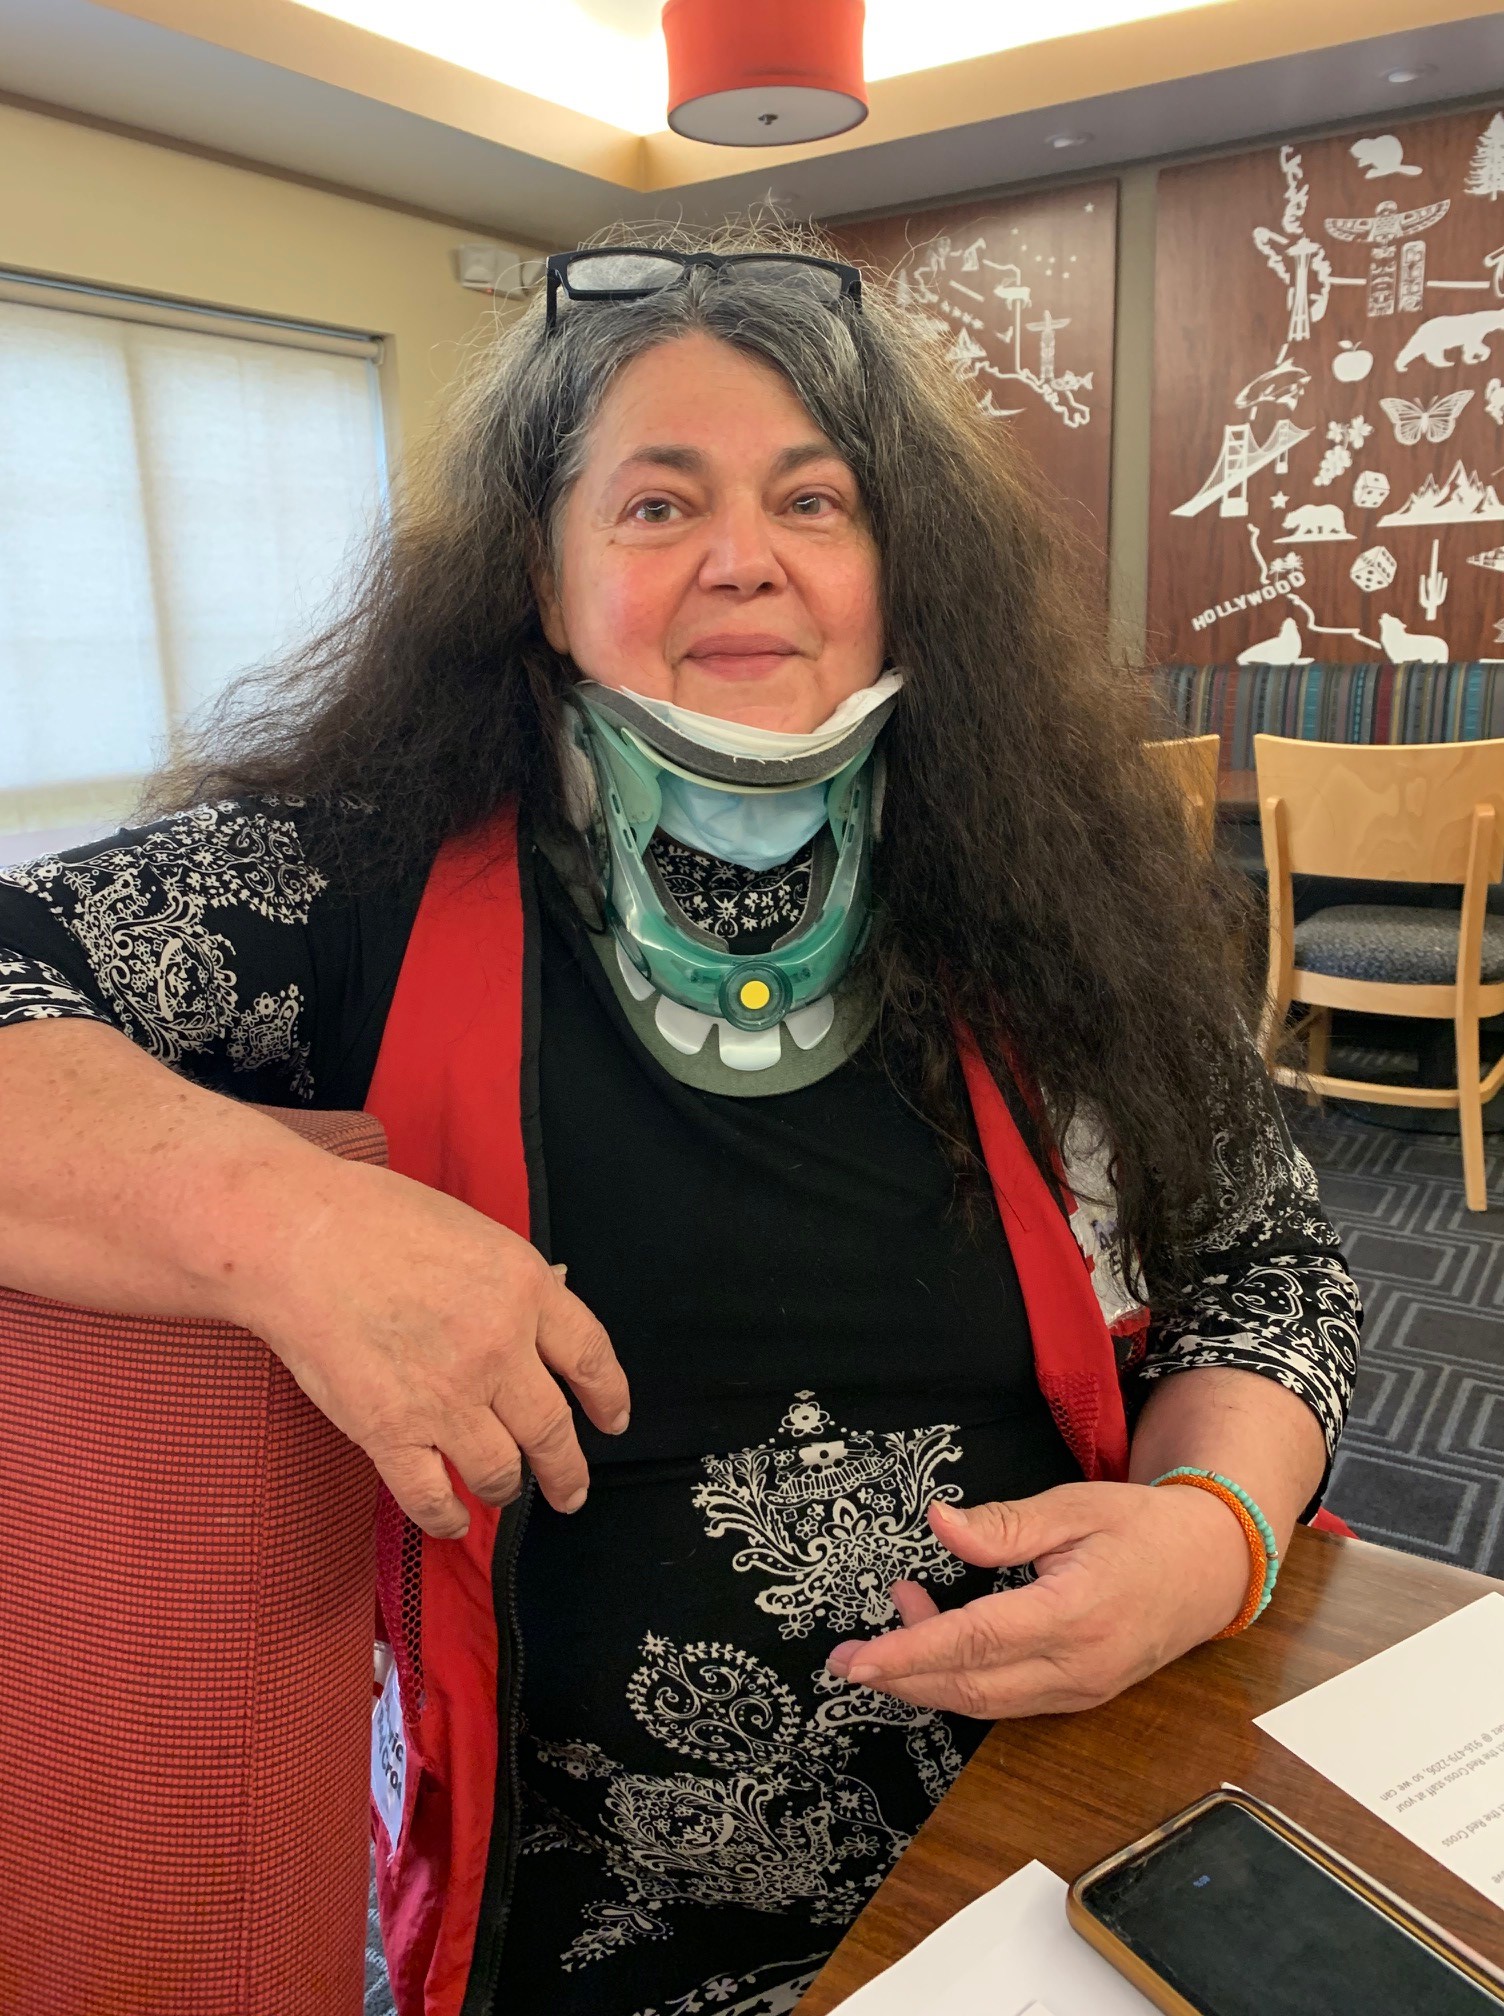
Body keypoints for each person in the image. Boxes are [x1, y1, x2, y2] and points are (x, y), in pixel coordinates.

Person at [0, 226, 1361, 2016]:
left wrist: (1211, 1533)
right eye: (656, 505)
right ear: (540, 575)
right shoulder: (354, 889)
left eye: (815, 501)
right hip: (575, 1931)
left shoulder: (1057, 900)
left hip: (1061, 1838)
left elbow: (1272, 1267)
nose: (743, 557)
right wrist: (283, 1220)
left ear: (899, 570)